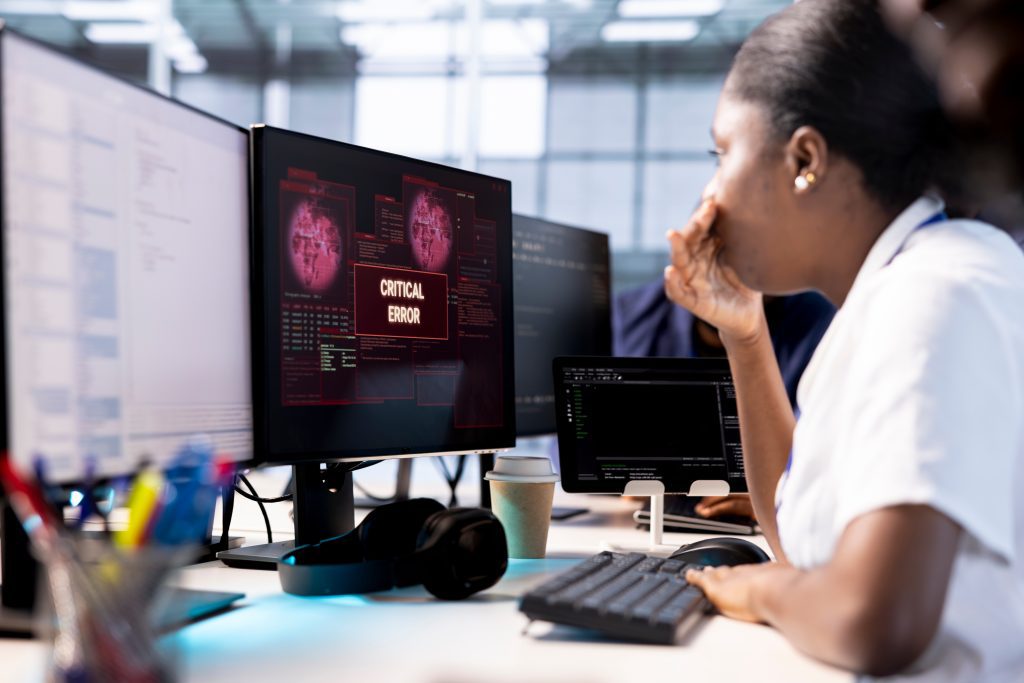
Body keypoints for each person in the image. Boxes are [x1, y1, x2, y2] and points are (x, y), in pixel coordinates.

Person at [664, 1, 1024, 680]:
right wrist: (744, 330)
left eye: (722, 153)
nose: (710, 194)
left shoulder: (939, 291)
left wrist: (759, 589)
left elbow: (874, 618)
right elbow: (800, 532)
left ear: (805, 158)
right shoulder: (896, 290)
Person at [613, 284, 834, 520]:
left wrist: (776, 491)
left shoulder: (821, 325)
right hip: (653, 516)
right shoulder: (629, 315)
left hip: (766, 526)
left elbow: (825, 463)